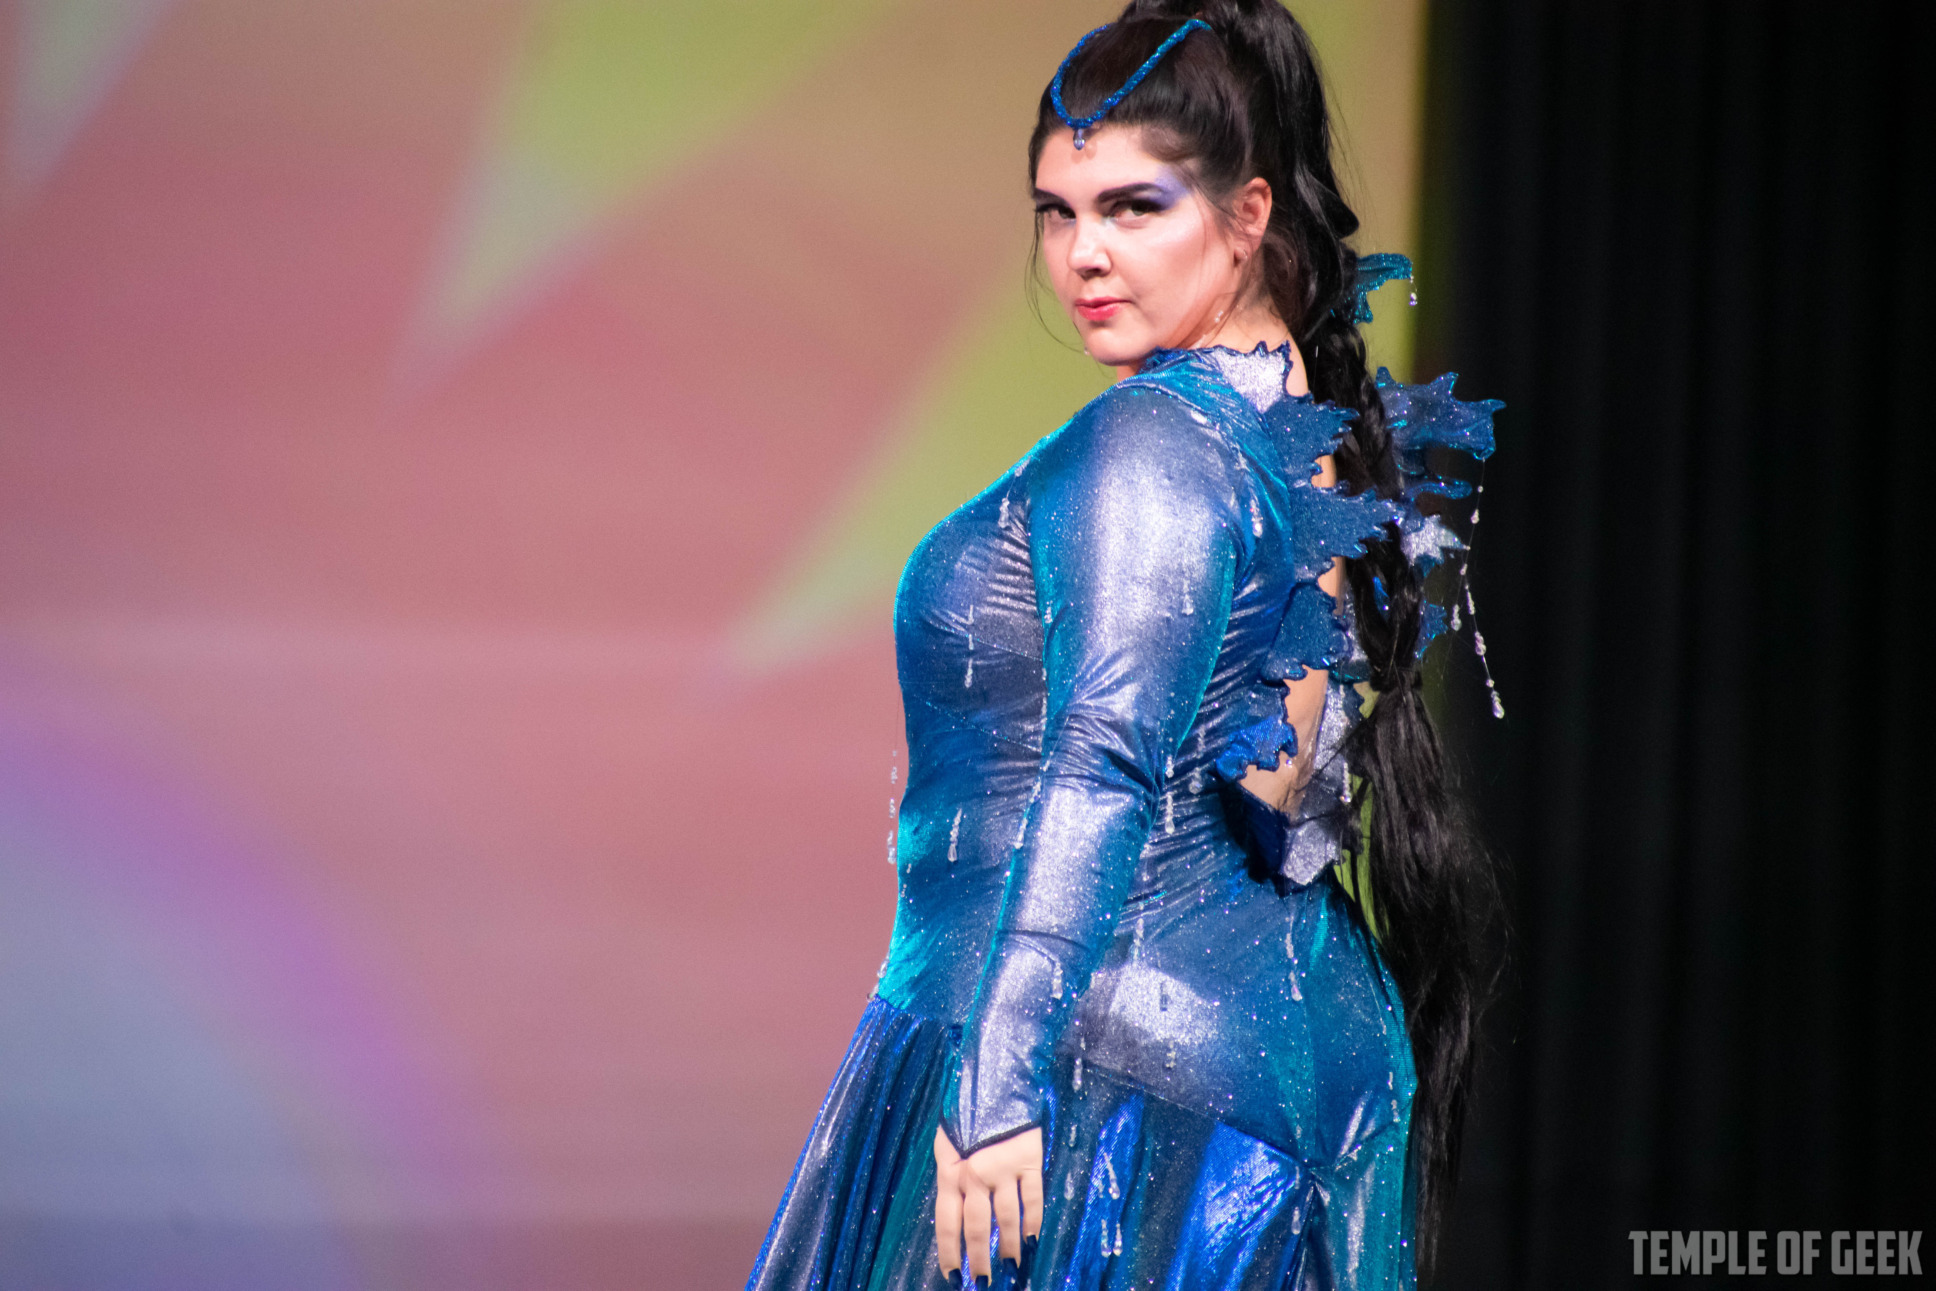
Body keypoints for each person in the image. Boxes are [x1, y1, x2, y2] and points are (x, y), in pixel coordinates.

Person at [747, 4, 1500, 1288]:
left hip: (1102, 1075)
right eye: (1057, 212)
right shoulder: (1292, 435)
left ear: (1249, 215)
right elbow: (1275, 788)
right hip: (1238, 1068)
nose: (1082, 254)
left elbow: (1100, 761)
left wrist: (997, 1083)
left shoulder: (1156, 442)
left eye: (1133, 208)